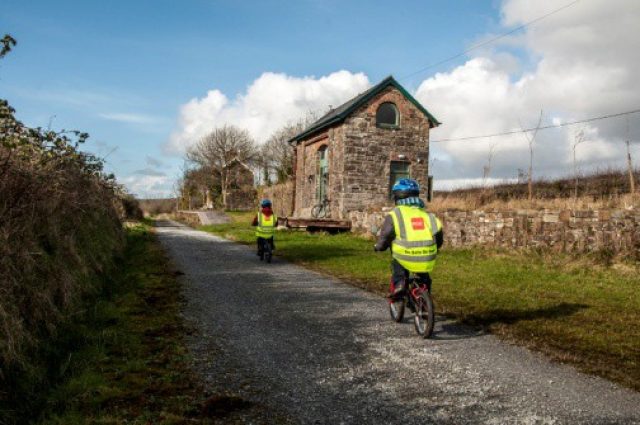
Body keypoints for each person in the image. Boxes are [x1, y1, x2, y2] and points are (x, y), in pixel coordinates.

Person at [374, 178, 443, 297]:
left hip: (404, 255)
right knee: (424, 276)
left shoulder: (395, 214)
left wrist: (379, 247)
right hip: (427, 256)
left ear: (396, 197)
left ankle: (400, 284)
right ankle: (425, 297)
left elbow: (386, 235)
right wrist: (435, 248)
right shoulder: (428, 215)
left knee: (398, 263)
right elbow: (439, 237)